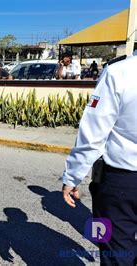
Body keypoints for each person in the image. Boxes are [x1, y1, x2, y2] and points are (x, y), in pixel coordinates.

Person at [61, 55, 137, 265]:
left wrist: (73, 176)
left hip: (123, 180)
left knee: (117, 252)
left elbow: (94, 133)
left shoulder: (119, 71)